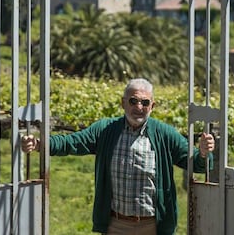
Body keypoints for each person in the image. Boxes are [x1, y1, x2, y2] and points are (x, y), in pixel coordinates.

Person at [21, 78, 215, 235]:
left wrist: (205, 153)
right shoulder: (106, 129)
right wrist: (40, 144)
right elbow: (72, 142)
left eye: (145, 102)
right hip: (116, 224)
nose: (138, 107)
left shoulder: (164, 134)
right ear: (123, 103)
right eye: (133, 101)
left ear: (152, 106)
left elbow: (195, 163)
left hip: (153, 226)